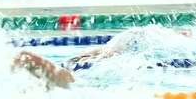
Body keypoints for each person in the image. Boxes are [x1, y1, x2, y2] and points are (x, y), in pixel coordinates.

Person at [11, 27, 141, 90]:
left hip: (71, 73)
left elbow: (24, 57)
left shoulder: (65, 79)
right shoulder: (68, 80)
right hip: (75, 73)